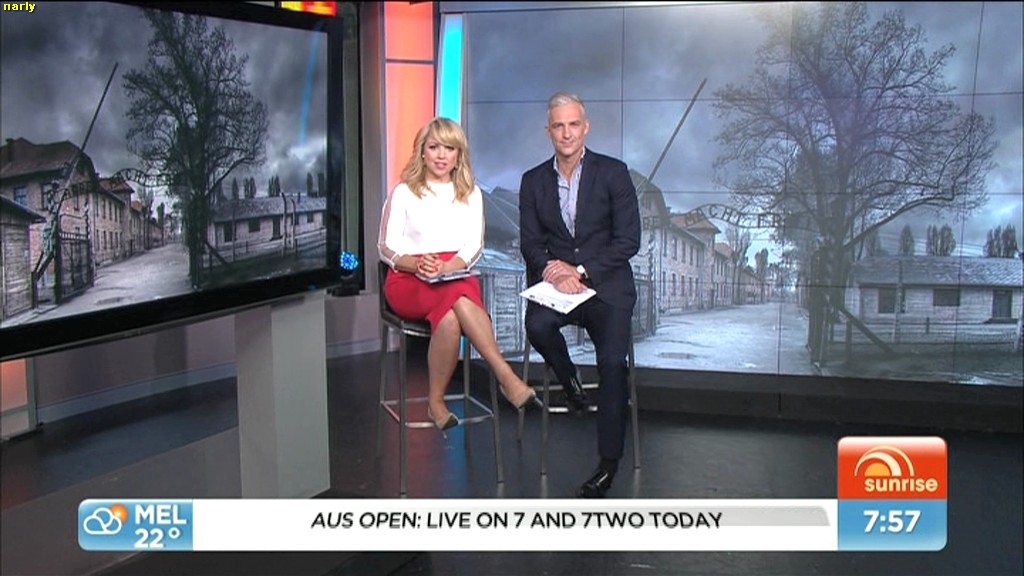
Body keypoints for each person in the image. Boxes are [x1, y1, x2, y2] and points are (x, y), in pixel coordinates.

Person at [378, 116, 541, 433]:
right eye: (434, 147)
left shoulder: (471, 193)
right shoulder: (404, 192)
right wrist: (417, 264)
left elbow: (473, 246)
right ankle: (506, 377)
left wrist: (448, 267)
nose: (441, 155)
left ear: (459, 155)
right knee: (458, 296)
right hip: (409, 278)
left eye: (449, 148)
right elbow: (386, 247)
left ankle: (436, 402)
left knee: (452, 315)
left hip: (455, 272)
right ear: (422, 151)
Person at [518, 92, 641, 498]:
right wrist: (553, 272)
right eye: (559, 126)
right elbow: (531, 243)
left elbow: (628, 241)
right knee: (537, 325)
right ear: (549, 131)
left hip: (605, 287)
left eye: (573, 124)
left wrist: (582, 271)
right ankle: (570, 380)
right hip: (558, 287)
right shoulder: (533, 181)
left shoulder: (614, 173)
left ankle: (608, 464)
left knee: (611, 363)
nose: (566, 133)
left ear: (585, 128)